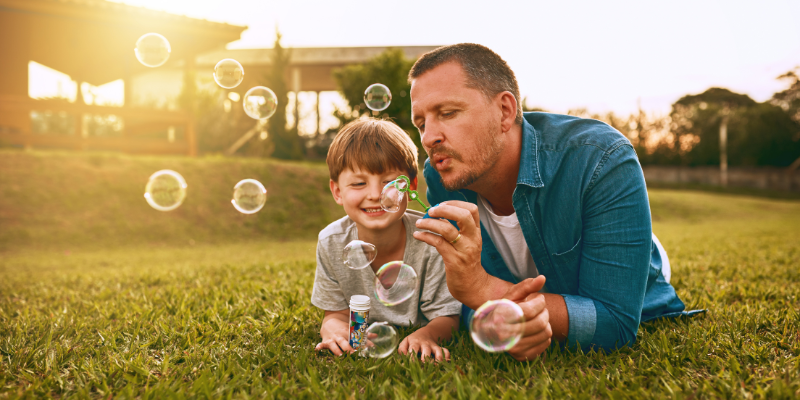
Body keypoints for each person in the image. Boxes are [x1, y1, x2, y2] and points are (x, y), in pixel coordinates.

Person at [409, 43, 698, 361]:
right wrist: (503, 317)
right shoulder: (440, 178)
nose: (428, 137)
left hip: (628, 252)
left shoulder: (599, 158)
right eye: (421, 124)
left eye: (447, 113)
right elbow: (465, 301)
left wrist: (484, 291)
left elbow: (616, 322)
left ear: (505, 111)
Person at [311, 118, 461, 362]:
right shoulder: (331, 241)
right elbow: (335, 314)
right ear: (337, 191)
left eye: (389, 183)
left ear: (410, 185)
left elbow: (447, 318)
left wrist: (428, 334)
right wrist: (334, 329)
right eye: (359, 183)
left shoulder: (432, 240)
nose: (374, 195)